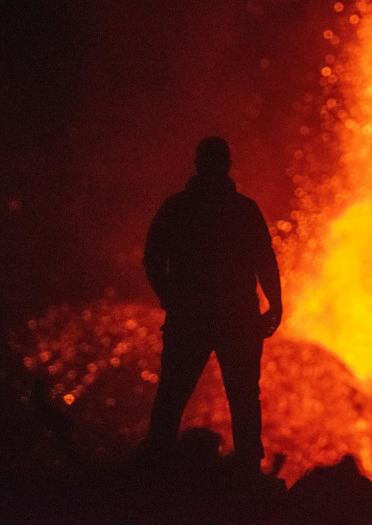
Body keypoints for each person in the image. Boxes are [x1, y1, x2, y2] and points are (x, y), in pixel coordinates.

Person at [142, 137, 282, 475]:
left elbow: (152, 258)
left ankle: (154, 468)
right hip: (237, 318)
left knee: (174, 393)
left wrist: (169, 296)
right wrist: (275, 305)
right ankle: (249, 471)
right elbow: (265, 261)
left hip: (190, 317)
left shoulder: (177, 208)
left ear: (197, 164)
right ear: (227, 165)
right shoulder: (243, 210)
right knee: (244, 396)